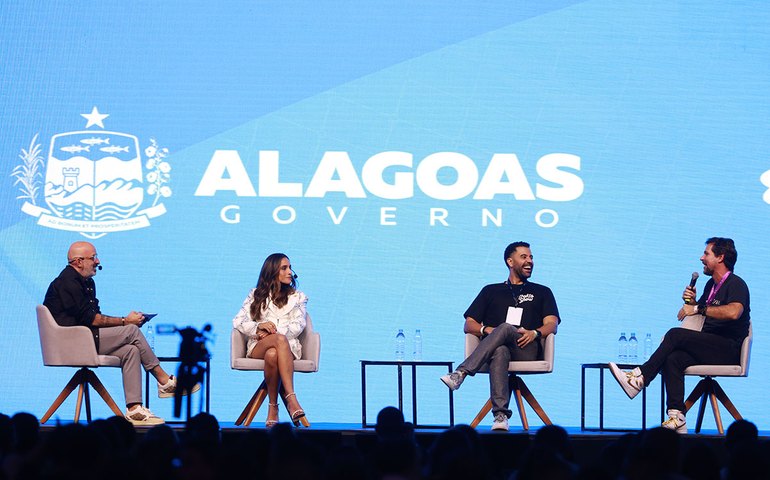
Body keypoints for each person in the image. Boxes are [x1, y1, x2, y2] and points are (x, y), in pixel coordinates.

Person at [43, 241, 199, 426]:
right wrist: (126, 322)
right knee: (131, 331)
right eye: (93, 258)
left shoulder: (87, 282)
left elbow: (95, 317)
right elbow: (91, 319)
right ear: (78, 261)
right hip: (71, 343)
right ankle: (164, 381)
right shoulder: (67, 282)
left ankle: (134, 410)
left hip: (86, 338)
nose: (97, 261)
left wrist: (125, 324)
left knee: (131, 351)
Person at [609, 237, 750, 434]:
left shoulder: (736, 284)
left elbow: (734, 312)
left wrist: (698, 308)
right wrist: (693, 303)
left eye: (706, 254)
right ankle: (677, 417)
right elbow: (701, 313)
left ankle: (640, 377)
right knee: (673, 359)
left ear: (720, 257)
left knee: (675, 335)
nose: (702, 258)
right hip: (708, 345)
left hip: (727, 349)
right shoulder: (711, 285)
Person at [440, 241, 561, 431]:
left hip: (527, 347)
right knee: (500, 350)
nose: (529, 261)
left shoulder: (542, 291)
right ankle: (500, 415)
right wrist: (486, 330)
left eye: (531, 257)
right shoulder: (491, 290)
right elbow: (469, 323)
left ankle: (461, 373)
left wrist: (534, 332)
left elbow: (552, 324)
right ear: (510, 262)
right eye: (524, 257)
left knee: (505, 327)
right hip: (495, 351)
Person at [232, 253, 307, 428]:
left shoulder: (298, 297)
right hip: (259, 345)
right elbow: (238, 321)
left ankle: (273, 408)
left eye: (290, 267)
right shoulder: (255, 295)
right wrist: (259, 328)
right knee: (276, 342)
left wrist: (273, 332)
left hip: (287, 347)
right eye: (284, 268)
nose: (290, 272)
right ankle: (292, 398)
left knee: (274, 353)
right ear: (272, 272)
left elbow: (299, 325)